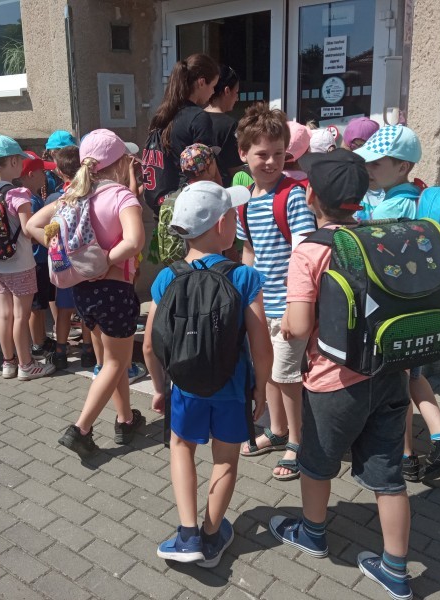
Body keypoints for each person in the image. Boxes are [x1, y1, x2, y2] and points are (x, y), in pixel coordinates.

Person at [273, 149, 413, 600]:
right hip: (388, 373)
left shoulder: (311, 249)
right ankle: (395, 570)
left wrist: (283, 323)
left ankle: (312, 534)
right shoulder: (378, 236)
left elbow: (298, 327)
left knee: (316, 463)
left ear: (311, 196)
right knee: (388, 477)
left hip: (334, 382)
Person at [143, 181, 272, 567]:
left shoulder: (166, 278)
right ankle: (212, 537)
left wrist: (159, 387)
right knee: (226, 460)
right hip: (233, 389)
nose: (236, 220)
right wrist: (261, 389)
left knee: (181, 448)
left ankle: (187, 535)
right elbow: (261, 345)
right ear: (221, 225)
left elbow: (149, 345)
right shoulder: (244, 277)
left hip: (185, 388)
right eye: (233, 215)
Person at [355, 125, 440, 482]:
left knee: (398, 384)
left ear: (402, 166)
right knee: (414, 376)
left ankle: (405, 455)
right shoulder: (416, 195)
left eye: (376, 163)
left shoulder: (393, 205)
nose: (369, 169)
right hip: (420, 304)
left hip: (397, 308)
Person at [27, 129, 146, 456]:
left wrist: (64, 252)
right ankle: (81, 430)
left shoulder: (72, 196)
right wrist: (104, 260)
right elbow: (134, 241)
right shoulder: (122, 196)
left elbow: (32, 225)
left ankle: (125, 420)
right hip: (115, 291)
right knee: (116, 363)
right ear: (119, 163)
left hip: (83, 292)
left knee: (112, 361)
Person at [235, 103, 316, 481]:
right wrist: (245, 298)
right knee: (266, 371)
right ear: (243, 154)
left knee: (286, 376)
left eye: (279, 154)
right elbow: (249, 252)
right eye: (262, 154)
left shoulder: (293, 196)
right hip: (261, 305)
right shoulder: (245, 201)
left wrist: (291, 309)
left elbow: (304, 255)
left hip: (288, 306)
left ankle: (297, 441)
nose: (271, 162)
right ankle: (277, 429)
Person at [0, 135, 55, 381]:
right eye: (20, 160)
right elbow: (29, 230)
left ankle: (8, 363)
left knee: (5, 314)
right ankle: (26, 365)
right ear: (12, 161)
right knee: (21, 315)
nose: (22, 164)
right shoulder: (18, 194)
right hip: (20, 264)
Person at [143, 53, 219, 215]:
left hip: (164, 207)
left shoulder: (162, 115)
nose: (213, 92)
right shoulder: (199, 118)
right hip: (189, 207)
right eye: (213, 86)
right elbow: (206, 167)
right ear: (201, 82)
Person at [42, 144, 96, 372]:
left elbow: (42, 227)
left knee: (63, 310)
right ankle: (88, 351)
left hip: (62, 263)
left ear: (59, 171)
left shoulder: (56, 198)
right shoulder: (91, 196)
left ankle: (60, 352)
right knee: (85, 310)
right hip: (84, 260)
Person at [19, 150, 57, 360]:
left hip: (39, 259)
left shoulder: (31, 198)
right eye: (43, 171)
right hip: (36, 259)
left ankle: (42, 337)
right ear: (31, 175)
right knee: (36, 306)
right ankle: (37, 344)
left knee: (41, 304)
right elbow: (30, 233)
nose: (46, 175)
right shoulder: (30, 201)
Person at [204, 65, 244, 187]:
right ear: (227, 91)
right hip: (222, 190)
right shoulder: (229, 125)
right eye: (236, 92)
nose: (237, 98)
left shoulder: (194, 119)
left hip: (195, 188)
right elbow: (235, 169)